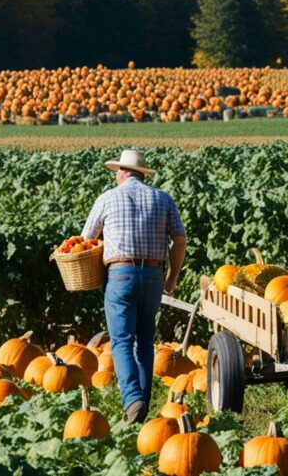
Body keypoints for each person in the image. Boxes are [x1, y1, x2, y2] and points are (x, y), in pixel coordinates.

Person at [81, 149, 187, 424]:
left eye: (116, 171)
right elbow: (180, 240)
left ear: (122, 172)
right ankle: (142, 406)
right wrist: (172, 277)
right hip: (153, 275)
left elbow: (85, 240)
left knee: (121, 341)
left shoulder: (108, 198)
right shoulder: (163, 198)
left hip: (120, 274)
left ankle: (132, 399)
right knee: (144, 342)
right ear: (142, 173)